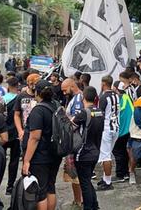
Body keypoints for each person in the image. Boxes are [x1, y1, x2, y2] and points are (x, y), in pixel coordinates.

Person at [22, 80, 62, 210]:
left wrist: (27, 160)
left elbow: (34, 137)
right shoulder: (57, 105)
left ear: (37, 92)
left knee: (40, 190)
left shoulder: (38, 110)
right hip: (55, 152)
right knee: (51, 186)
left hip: (40, 156)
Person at [71, 86, 105, 210]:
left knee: (84, 183)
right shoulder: (100, 111)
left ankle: (89, 207)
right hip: (96, 151)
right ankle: (95, 205)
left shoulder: (84, 113)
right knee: (87, 180)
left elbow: (70, 126)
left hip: (83, 153)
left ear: (83, 98)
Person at [64, 77, 84, 208]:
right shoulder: (79, 97)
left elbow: (76, 122)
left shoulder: (78, 99)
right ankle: (78, 199)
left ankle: (79, 200)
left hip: (75, 141)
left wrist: (64, 120)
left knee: (75, 175)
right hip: (78, 141)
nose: (64, 93)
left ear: (72, 86)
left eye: (65, 90)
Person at [96, 75, 119, 190]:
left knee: (106, 156)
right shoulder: (117, 95)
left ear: (103, 83)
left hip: (106, 128)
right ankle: (105, 178)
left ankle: (108, 182)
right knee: (108, 153)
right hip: (115, 127)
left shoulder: (104, 97)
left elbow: (101, 115)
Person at [112, 80, 133, 183]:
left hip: (121, 131)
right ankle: (125, 173)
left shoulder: (119, 99)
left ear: (116, 89)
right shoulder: (126, 98)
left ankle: (120, 174)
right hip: (128, 130)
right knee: (123, 152)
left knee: (118, 152)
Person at [3, 77, 21, 195]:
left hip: (3, 132)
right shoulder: (20, 99)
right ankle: (10, 187)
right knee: (14, 161)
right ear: (18, 85)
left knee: (0, 160)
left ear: (8, 86)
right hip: (16, 132)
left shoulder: (2, 99)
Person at [14, 73, 39, 151]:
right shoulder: (21, 96)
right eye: (31, 84)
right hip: (25, 131)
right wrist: (20, 131)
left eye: (36, 84)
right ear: (27, 83)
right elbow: (16, 114)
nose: (33, 86)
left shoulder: (41, 96)